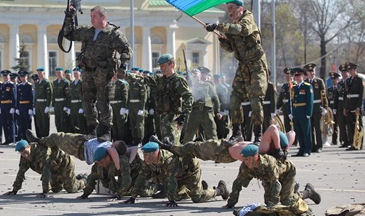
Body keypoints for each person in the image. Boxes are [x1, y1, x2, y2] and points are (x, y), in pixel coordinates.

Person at [62, 5, 132, 141]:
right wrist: (69, 16)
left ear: (103, 17)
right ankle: (92, 130)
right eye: (91, 16)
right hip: (87, 72)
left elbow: (126, 50)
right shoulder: (87, 31)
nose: (91, 19)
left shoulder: (113, 34)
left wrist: (122, 67)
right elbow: (68, 34)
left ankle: (105, 131)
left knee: (103, 102)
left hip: (103, 74)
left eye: (94, 16)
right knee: (87, 102)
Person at [206, 0, 268, 143]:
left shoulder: (248, 19)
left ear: (240, 8)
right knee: (234, 99)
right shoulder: (232, 26)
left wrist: (219, 26)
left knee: (255, 99)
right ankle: (237, 133)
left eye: (232, 8)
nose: (230, 12)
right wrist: (223, 41)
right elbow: (231, 48)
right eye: (228, 9)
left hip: (256, 65)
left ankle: (258, 135)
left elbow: (242, 30)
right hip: (243, 66)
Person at [126, 141, 228, 206]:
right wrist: (133, 197)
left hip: (189, 170)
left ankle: (220, 190)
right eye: (144, 154)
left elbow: (171, 180)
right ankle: (197, 187)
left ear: (155, 153)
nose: (145, 157)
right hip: (177, 175)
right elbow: (141, 177)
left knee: (197, 198)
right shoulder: (148, 162)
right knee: (178, 196)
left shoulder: (168, 160)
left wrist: (171, 200)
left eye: (147, 155)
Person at [224, 144, 321, 209]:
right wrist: (231, 202)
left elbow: (276, 183)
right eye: (243, 159)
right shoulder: (245, 166)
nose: (245, 162)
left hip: (286, 173)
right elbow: (238, 182)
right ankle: (291, 189)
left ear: (256, 157)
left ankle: (308, 192)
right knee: (267, 202)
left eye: (247, 159)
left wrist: (273, 204)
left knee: (286, 201)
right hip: (269, 179)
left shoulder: (269, 163)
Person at [153, 124, 296, 164]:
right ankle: (169, 147)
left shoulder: (265, 149)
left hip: (222, 152)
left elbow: (275, 129)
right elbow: (289, 133)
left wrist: (281, 149)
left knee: (192, 149)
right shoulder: (269, 147)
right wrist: (283, 149)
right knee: (192, 150)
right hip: (225, 148)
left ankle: (167, 147)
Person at [140, 54, 192, 145]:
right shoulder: (160, 80)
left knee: (172, 145)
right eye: (160, 66)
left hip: (173, 119)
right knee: (163, 145)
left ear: (171, 65)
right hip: (162, 118)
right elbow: (145, 79)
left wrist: (183, 116)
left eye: (163, 65)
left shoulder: (178, 80)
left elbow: (188, 97)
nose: (161, 68)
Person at [3, 139, 85, 197]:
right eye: (22, 153)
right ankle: (72, 178)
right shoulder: (24, 158)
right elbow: (21, 173)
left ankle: (84, 179)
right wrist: (14, 190)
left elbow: (46, 171)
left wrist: (45, 192)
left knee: (71, 189)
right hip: (54, 168)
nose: (25, 155)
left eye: (25, 152)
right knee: (56, 189)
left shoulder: (41, 152)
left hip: (64, 164)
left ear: (29, 147)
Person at [78, 142, 148, 200]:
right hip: (124, 174)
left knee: (142, 191)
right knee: (115, 186)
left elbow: (127, 179)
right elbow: (92, 177)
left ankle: (156, 186)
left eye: (101, 162)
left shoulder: (122, 161)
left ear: (108, 158)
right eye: (98, 163)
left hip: (138, 172)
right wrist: (85, 194)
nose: (100, 165)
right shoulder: (99, 164)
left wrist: (118, 195)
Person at [182, 67, 220, 142]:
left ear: (200, 75)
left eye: (196, 74)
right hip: (194, 112)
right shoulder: (189, 87)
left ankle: (215, 151)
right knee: (188, 135)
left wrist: (217, 111)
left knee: (212, 134)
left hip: (206, 112)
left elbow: (215, 98)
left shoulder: (207, 85)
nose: (195, 75)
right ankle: (185, 152)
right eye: (193, 74)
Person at [304, 63, 329, 153]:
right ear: (307, 72)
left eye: (313, 71)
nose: (312, 73)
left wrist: (325, 107)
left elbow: (323, 95)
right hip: (308, 109)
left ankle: (319, 146)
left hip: (317, 107)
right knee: (310, 128)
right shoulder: (305, 82)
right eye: (310, 71)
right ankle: (312, 146)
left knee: (318, 128)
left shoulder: (319, 81)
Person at [289, 68, 313, 157]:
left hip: (304, 111)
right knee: (298, 132)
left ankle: (307, 149)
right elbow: (290, 100)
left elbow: (310, 101)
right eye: (295, 76)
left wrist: (308, 113)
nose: (297, 78)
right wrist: (290, 112)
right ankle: (301, 149)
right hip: (296, 112)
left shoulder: (307, 86)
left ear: (303, 76)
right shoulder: (294, 87)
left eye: (298, 76)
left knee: (306, 132)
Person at [344, 62, 363, 150]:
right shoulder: (348, 80)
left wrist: (358, 107)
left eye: (352, 70)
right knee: (350, 126)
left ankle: (359, 144)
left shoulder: (359, 80)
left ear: (355, 70)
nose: (350, 72)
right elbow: (345, 95)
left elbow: (361, 94)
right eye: (349, 70)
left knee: (358, 125)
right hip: (349, 105)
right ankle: (352, 143)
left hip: (356, 105)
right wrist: (345, 107)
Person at [109, 69, 129, 142]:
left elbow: (125, 96)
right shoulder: (110, 83)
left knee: (120, 125)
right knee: (113, 124)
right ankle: (115, 140)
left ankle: (122, 141)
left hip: (119, 105)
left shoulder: (122, 83)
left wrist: (124, 107)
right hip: (112, 106)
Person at [34, 67, 53, 138]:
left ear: (44, 73)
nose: (39, 74)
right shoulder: (38, 83)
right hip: (38, 104)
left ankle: (45, 137)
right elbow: (35, 96)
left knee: (45, 121)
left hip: (44, 104)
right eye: (38, 73)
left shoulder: (46, 83)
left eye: (40, 73)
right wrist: (34, 106)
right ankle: (40, 137)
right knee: (39, 122)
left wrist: (48, 106)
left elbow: (50, 95)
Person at [0, 70, 16, 145]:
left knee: (10, 123)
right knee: (4, 123)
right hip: (3, 106)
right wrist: (0, 106)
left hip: (9, 105)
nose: (5, 77)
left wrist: (13, 107)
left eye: (6, 76)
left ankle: (12, 139)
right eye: (4, 76)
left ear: (9, 76)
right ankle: (7, 139)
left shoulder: (11, 85)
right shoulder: (2, 85)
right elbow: (0, 96)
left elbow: (14, 97)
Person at [15, 71, 33, 141]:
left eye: (24, 76)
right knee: (21, 124)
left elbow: (31, 97)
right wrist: (17, 108)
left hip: (27, 106)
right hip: (21, 107)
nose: (22, 78)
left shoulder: (29, 85)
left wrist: (30, 108)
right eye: (21, 77)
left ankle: (29, 139)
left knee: (27, 124)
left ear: (27, 77)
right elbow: (18, 98)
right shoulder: (19, 86)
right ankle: (23, 138)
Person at [52, 67, 70, 133]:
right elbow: (53, 94)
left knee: (64, 121)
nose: (58, 74)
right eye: (57, 72)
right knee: (57, 121)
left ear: (62, 73)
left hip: (63, 103)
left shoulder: (66, 82)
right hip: (57, 103)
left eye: (60, 72)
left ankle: (64, 136)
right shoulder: (54, 82)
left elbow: (68, 95)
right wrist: (53, 105)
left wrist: (67, 106)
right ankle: (58, 134)